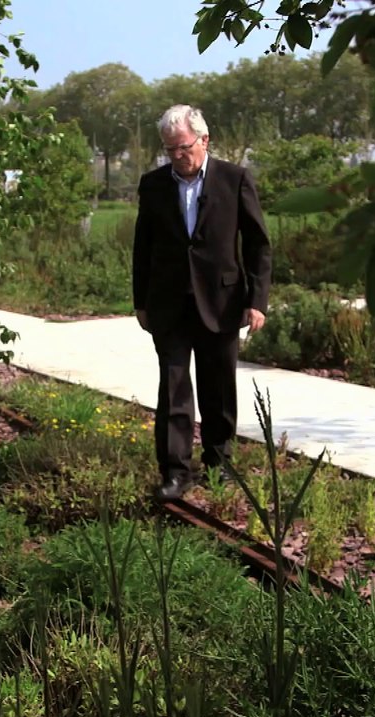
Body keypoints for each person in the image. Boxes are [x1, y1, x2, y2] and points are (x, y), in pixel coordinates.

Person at [132, 104, 272, 501]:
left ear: (204, 140)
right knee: (173, 388)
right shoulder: (154, 185)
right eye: (169, 150)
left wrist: (257, 299)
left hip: (223, 300)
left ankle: (219, 465)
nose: (177, 156)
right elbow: (142, 247)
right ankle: (175, 472)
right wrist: (140, 301)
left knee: (218, 388)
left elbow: (259, 244)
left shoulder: (235, 179)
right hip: (168, 303)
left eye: (183, 148)